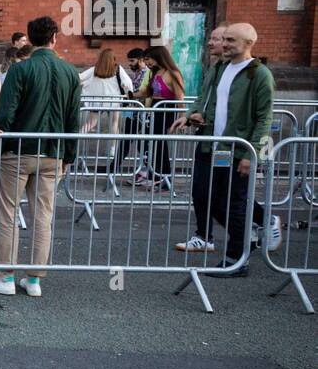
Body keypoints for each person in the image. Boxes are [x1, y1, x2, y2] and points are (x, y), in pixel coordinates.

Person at [0, 15, 81, 298]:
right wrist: (69, 155)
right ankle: (34, 280)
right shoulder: (70, 72)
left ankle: (5, 276)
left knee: (7, 214)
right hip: (53, 152)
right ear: (55, 37)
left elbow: (4, 114)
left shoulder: (21, 70)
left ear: (30, 39)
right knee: (43, 216)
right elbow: (73, 119)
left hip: (18, 149)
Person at [171, 22, 279, 270]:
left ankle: (236, 259)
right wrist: (194, 115)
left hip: (240, 150)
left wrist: (252, 156)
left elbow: (265, 118)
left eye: (231, 40)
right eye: (225, 39)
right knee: (215, 202)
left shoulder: (259, 74)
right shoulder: (222, 68)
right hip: (218, 148)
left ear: (248, 44)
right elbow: (208, 101)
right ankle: (245, 242)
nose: (225, 44)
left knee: (236, 203)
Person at [133, 45, 184, 189]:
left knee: (160, 145)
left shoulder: (173, 73)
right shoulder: (155, 72)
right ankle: (155, 175)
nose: (147, 63)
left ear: (158, 57)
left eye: (148, 59)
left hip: (166, 109)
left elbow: (180, 97)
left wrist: (182, 117)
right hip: (155, 108)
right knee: (153, 144)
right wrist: (130, 95)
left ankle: (163, 178)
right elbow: (146, 92)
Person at [78, 48, 134, 137]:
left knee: (90, 123)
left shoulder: (94, 69)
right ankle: (112, 150)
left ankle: (74, 141)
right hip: (114, 102)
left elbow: (80, 78)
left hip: (96, 102)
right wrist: (129, 95)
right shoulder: (118, 69)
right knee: (114, 125)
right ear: (113, 58)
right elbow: (128, 83)